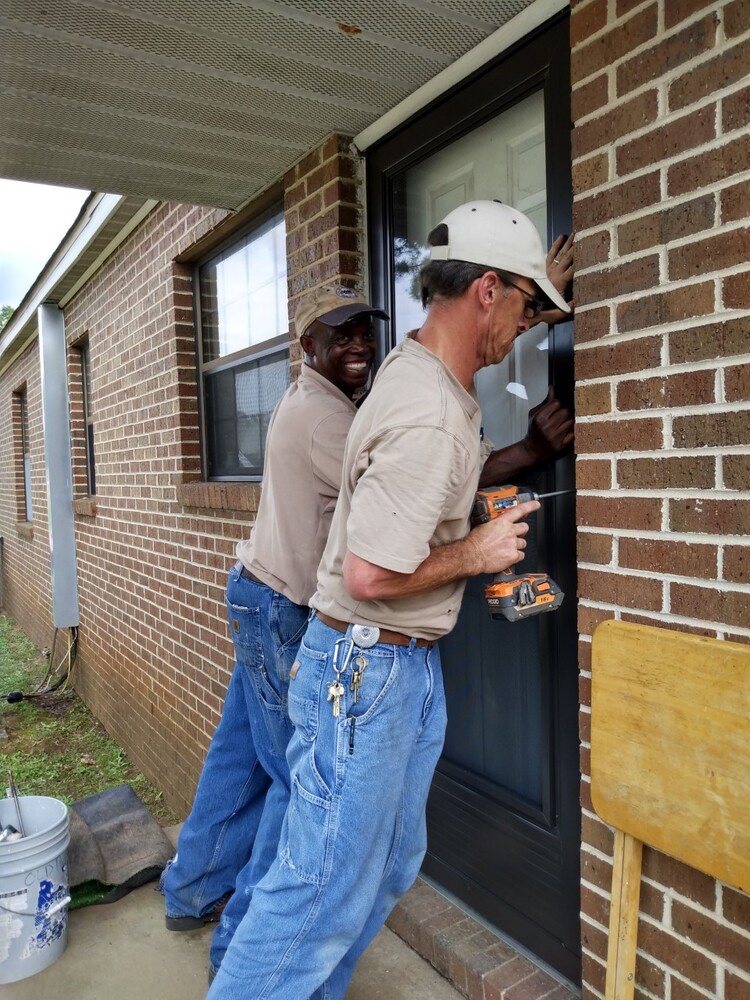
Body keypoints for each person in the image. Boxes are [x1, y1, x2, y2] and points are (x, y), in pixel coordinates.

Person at [206, 199, 573, 1000]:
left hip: (394, 669)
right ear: (485, 290)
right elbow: (372, 574)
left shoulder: (418, 371)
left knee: (384, 866)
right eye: (521, 306)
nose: (523, 327)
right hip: (364, 674)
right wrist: (477, 552)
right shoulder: (427, 415)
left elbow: (426, 482)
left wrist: (539, 290)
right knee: (317, 895)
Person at [161, 285, 389, 978]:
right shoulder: (327, 422)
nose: (356, 342)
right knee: (298, 780)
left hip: (259, 599)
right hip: (282, 611)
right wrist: (522, 450)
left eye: (364, 330)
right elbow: (402, 486)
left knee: (240, 757)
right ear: (308, 346)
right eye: (339, 332)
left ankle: (192, 888)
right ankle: (241, 950)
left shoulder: (314, 400)